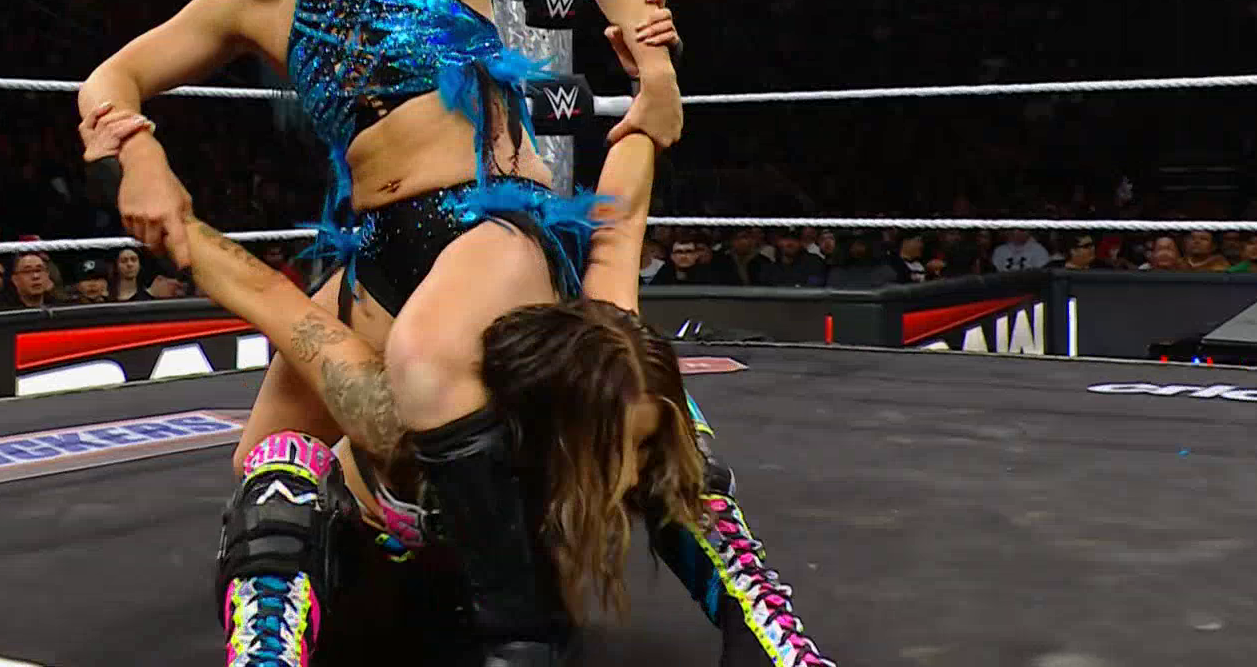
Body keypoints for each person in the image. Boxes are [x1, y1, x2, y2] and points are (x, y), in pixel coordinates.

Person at [78, 0, 682, 666]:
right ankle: (301, 633)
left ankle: (521, 637)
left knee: (423, 364)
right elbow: (108, 80)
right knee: (269, 454)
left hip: (493, 221)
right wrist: (142, 156)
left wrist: (656, 71)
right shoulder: (253, 3)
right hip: (371, 251)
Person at [81, 42, 835, 667]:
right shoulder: (401, 408)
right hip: (382, 589)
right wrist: (143, 179)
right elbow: (269, 300)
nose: (633, 477)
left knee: (678, 429)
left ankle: (766, 640)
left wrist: (657, 85)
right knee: (281, 469)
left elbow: (621, 215)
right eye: (615, 450)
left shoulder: (595, 340)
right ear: (552, 425)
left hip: (514, 606)